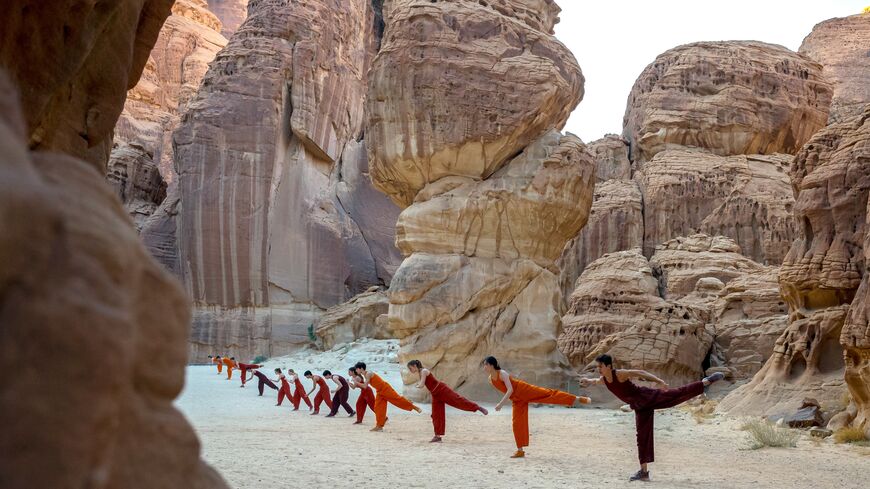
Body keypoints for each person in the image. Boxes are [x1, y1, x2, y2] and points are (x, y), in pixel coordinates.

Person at [579, 354, 725, 482]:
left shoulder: (620, 374)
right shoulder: (604, 379)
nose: (599, 369)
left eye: (600, 366)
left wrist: (659, 381)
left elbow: (640, 372)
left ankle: (705, 382)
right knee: (641, 437)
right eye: (597, 367)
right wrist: (587, 381)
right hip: (639, 406)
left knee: (675, 395)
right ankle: (643, 472)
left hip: (646, 396)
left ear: (608, 366)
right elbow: (595, 381)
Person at [483, 356, 590, 458]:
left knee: (548, 394)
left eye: (486, 365)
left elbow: (510, 389)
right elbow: (507, 391)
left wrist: (501, 404)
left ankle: (577, 398)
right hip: (517, 400)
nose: (484, 367)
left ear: (492, 365)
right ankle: (520, 451)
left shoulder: (502, 374)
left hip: (524, 390)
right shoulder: (490, 379)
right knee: (517, 423)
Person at [408, 360, 488, 442]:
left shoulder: (424, 371)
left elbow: (421, 385)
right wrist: (417, 385)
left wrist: (415, 387)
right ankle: (437, 436)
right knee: (436, 415)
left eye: (410, 368)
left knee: (458, 400)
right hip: (435, 394)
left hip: (441, 389)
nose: (410, 371)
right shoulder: (420, 373)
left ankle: (478, 407)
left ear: (414, 366)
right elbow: (423, 384)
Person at [353, 362, 421, 432]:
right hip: (379, 392)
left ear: (361, 368)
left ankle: (413, 407)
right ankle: (379, 426)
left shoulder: (368, 374)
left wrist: (356, 382)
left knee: (398, 400)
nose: (356, 371)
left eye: (357, 369)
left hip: (385, 389)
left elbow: (365, 386)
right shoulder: (365, 375)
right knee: (377, 408)